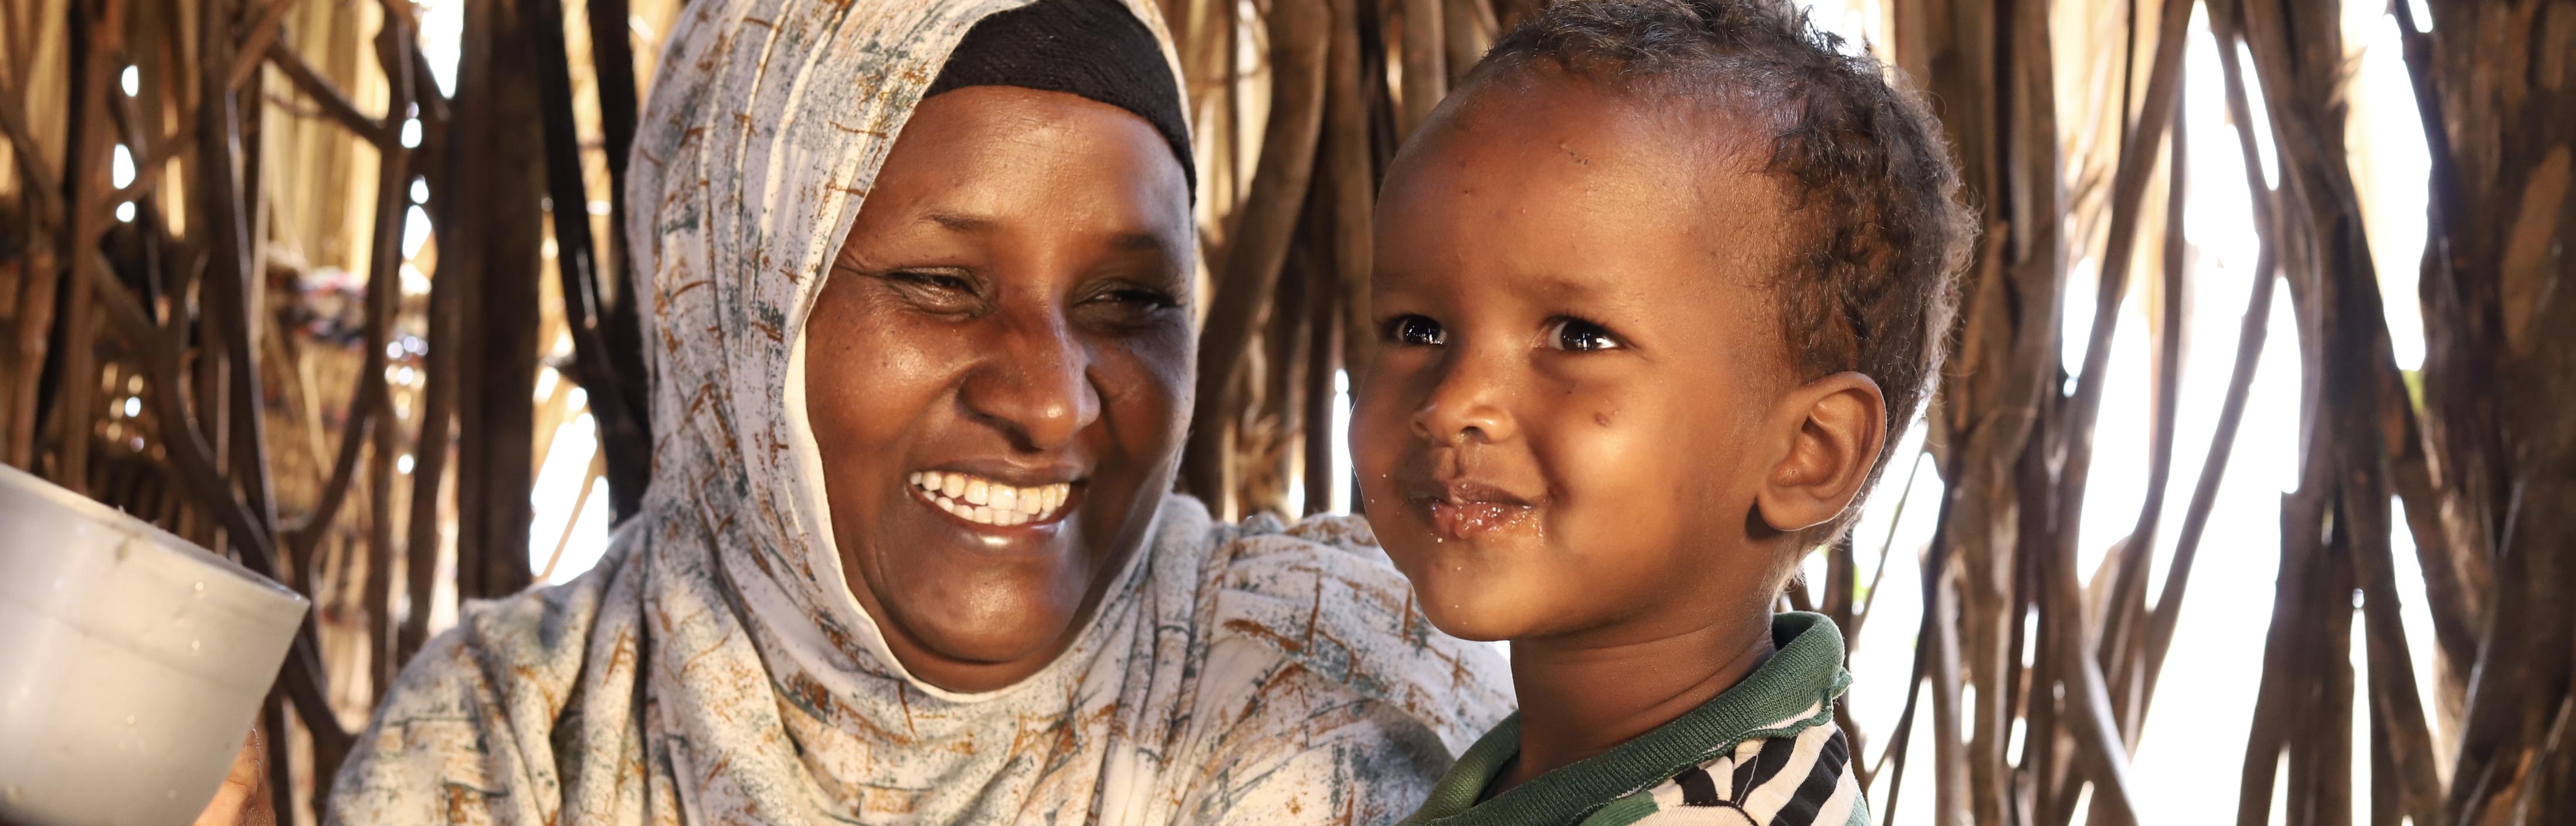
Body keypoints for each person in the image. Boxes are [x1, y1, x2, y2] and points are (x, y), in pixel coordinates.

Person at [189, 1, 1513, 823]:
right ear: (735, 308)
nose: (1051, 396)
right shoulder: (513, 740)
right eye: (941, 284)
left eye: (1125, 301)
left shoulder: (1329, 687)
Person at [1349, 1, 1972, 824]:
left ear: (1808, 453)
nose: (1453, 403)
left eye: (1578, 337)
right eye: (1417, 329)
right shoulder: (1563, 768)